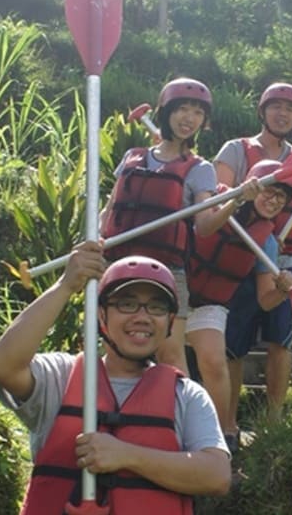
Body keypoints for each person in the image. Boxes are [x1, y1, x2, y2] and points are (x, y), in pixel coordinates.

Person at [0, 245, 231, 512]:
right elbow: (3, 365)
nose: (142, 317)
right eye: (127, 304)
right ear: (102, 316)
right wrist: (65, 286)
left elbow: (217, 476)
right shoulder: (60, 377)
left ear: (170, 321)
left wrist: (127, 455)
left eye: (156, 308)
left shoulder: (186, 395)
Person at [214, 82, 292, 430]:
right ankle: (229, 424)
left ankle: (274, 423)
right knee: (234, 345)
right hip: (239, 257)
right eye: (276, 107)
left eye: (290, 109)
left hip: (284, 262)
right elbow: (217, 201)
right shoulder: (235, 149)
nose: (283, 114)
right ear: (263, 111)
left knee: (281, 342)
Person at [100, 77, 226, 375]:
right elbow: (109, 210)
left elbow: (205, 225)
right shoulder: (132, 157)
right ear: (166, 112)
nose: (189, 118)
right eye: (183, 108)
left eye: (198, 113)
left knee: (170, 354)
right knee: (110, 346)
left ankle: (177, 419)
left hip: (168, 269)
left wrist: (237, 201)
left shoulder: (200, 168)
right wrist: (94, 241)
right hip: (118, 263)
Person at [185, 160, 292, 453]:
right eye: (268, 192)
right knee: (175, 364)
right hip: (179, 291)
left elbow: (264, 299)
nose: (273, 201)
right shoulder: (216, 198)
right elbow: (202, 227)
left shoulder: (267, 242)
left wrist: (283, 291)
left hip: (211, 303)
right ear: (253, 186)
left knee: (213, 362)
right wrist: (235, 200)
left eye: (281, 198)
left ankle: (221, 436)